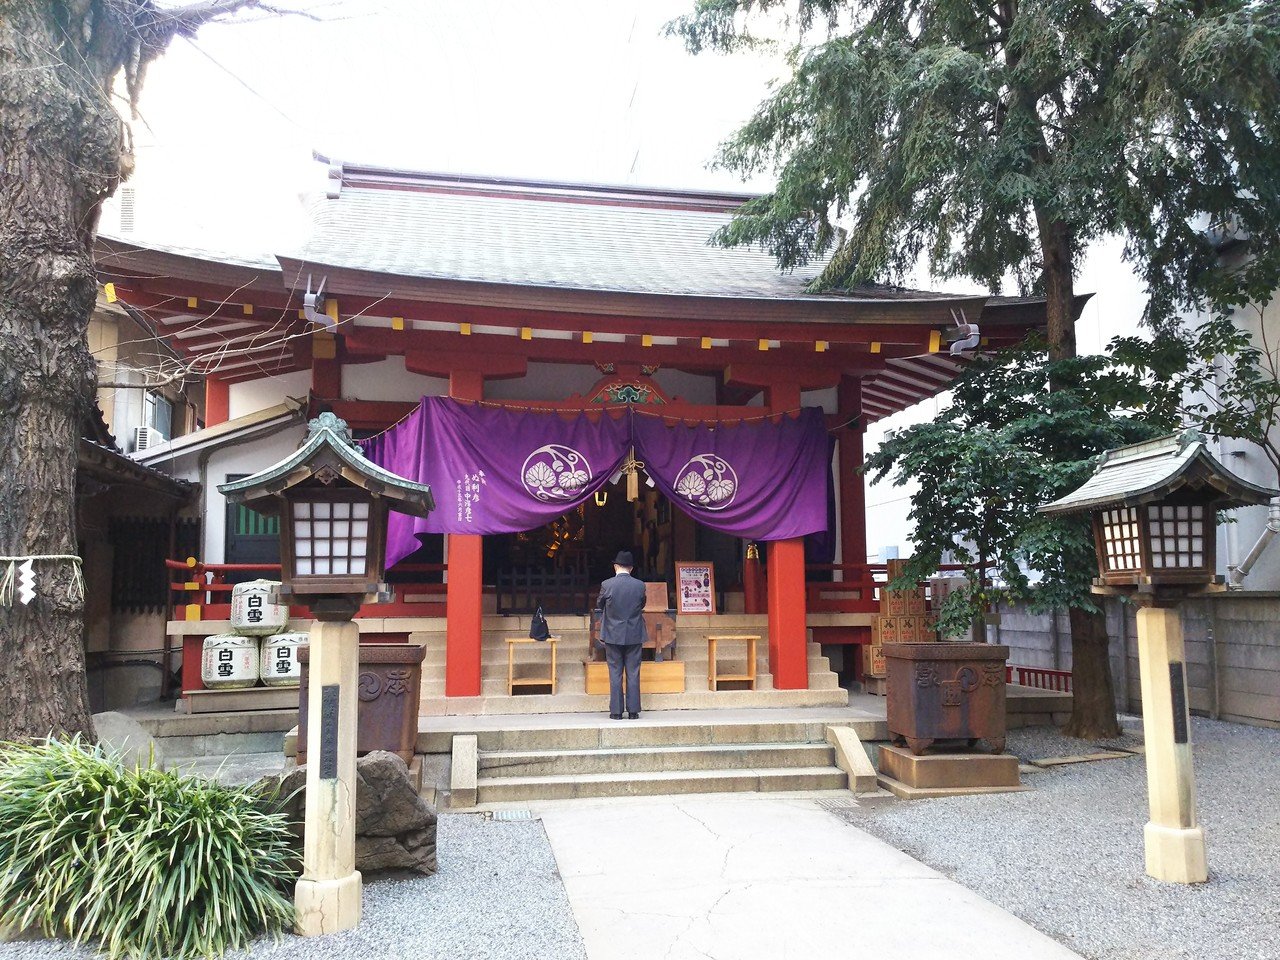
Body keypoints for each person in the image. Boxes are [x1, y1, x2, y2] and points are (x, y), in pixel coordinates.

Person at [595, 550, 647, 719]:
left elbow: (600, 604)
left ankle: (616, 712)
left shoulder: (607, 584)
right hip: (634, 632)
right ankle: (633, 711)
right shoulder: (640, 585)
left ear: (615, 566)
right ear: (631, 568)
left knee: (615, 672)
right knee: (633, 672)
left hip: (612, 633)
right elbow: (642, 604)